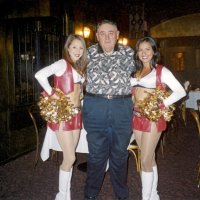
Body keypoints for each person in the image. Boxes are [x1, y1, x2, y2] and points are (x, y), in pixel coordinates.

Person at [83, 19, 135, 200]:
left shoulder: (130, 53)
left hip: (122, 107)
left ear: (118, 35)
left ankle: (121, 194)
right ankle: (90, 194)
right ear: (96, 36)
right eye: (102, 33)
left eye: (111, 32)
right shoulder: (86, 53)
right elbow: (70, 72)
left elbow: (146, 73)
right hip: (95, 106)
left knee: (120, 154)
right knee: (96, 154)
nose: (107, 37)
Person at [131, 36, 186, 200]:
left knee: (145, 160)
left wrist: (161, 105)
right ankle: (153, 194)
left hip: (152, 119)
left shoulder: (161, 71)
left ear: (154, 52)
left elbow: (180, 91)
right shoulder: (135, 72)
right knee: (149, 157)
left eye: (147, 49)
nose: (143, 53)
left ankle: (145, 197)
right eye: (140, 50)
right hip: (136, 117)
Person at [35, 34, 87, 200]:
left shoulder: (79, 67)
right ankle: (62, 195)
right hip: (63, 115)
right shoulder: (61, 64)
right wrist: (51, 93)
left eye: (81, 47)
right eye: (74, 47)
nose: (78, 51)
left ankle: (66, 194)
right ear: (68, 48)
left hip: (77, 114)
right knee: (71, 157)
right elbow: (39, 75)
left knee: (69, 157)